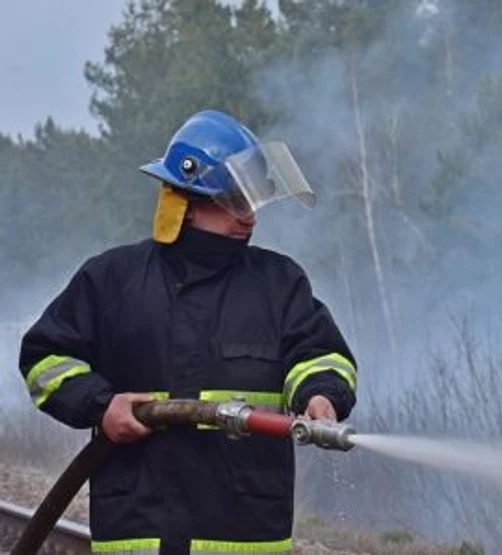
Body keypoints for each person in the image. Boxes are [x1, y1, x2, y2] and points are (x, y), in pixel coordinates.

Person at [18, 109, 358, 555]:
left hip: (244, 532)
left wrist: (321, 394)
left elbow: (318, 354)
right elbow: (44, 358)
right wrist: (102, 406)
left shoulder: (279, 283)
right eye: (234, 200)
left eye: (253, 200)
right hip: (139, 529)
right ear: (185, 201)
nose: (249, 216)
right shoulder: (112, 280)